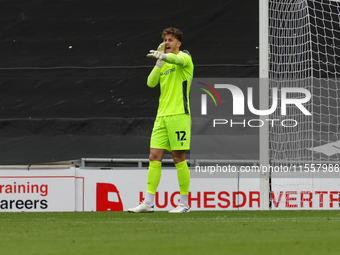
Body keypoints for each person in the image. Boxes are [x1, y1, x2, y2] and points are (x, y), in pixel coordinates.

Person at [127, 27, 194, 213]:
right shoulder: (163, 62)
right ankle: (148, 203)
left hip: (179, 115)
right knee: (153, 157)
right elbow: (150, 83)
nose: (167, 43)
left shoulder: (185, 58)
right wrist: (158, 62)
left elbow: (178, 59)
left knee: (178, 157)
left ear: (178, 43)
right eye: (165, 40)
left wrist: (165, 57)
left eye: (170, 40)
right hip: (161, 117)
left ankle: (184, 204)